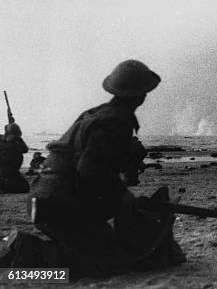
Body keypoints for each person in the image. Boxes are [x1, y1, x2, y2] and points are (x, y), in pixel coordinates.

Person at [2, 60, 185, 277]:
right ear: (141, 95)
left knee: (107, 248)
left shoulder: (96, 114)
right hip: (59, 204)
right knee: (108, 265)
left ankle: (21, 251)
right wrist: (122, 196)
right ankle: (23, 255)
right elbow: (91, 170)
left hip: (45, 195)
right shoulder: (115, 121)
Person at [0, 123, 30, 193]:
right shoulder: (16, 145)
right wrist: (19, 139)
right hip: (9, 173)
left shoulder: (3, 142)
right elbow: (25, 149)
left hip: (8, 172)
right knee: (24, 187)